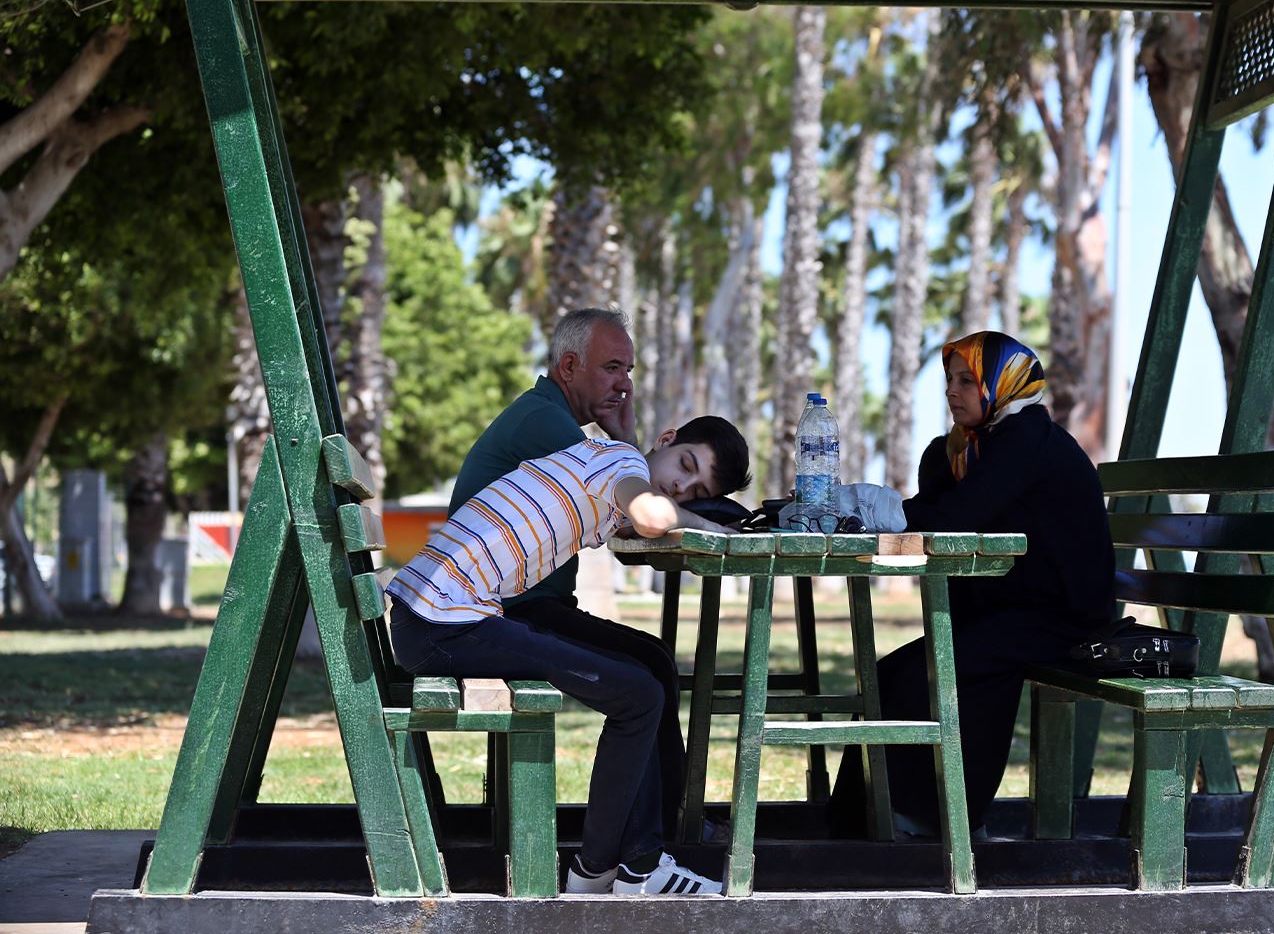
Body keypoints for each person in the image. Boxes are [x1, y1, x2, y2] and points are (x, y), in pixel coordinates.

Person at [387, 417, 752, 896]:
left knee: (644, 673)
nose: (680, 486)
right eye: (686, 464)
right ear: (665, 440)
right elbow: (654, 518)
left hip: (441, 614)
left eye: (695, 488)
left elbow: (641, 513)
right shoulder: (619, 461)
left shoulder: (603, 459)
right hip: (444, 623)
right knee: (639, 694)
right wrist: (713, 528)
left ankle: (608, 867)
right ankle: (632, 869)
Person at [829, 330, 1116, 840]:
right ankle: (862, 817)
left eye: (967, 380)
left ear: (1002, 384)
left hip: (1062, 619)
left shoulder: (1026, 437)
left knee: (931, 671)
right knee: (892, 671)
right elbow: (934, 510)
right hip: (1013, 611)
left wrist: (883, 509)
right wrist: (940, 459)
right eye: (949, 380)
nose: (951, 391)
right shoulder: (977, 446)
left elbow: (955, 518)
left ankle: (936, 819)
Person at [449, 309, 695, 840]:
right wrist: (627, 441)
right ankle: (648, 842)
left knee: (651, 660)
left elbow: (617, 485)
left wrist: (624, 439)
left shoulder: (554, 418)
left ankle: (662, 828)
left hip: (522, 609)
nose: (624, 384)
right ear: (568, 365)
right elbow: (631, 504)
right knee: (646, 672)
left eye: (628, 371)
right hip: (501, 615)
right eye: (611, 368)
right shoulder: (545, 422)